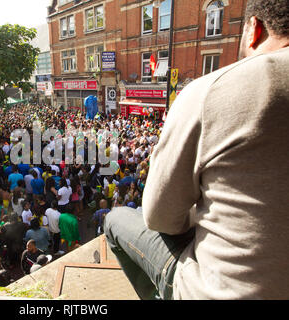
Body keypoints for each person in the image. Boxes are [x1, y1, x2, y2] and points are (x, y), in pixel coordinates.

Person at [105, 0, 289, 300]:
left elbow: (159, 217)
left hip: (214, 290)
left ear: (253, 29)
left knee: (114, 219)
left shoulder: (212, 88)